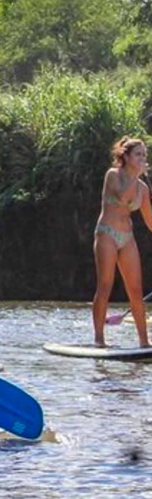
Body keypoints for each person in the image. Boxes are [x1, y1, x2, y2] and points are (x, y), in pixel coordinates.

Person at [92, 137, 152, 347]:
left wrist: (138, 177)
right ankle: (99, 339)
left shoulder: (143, 188)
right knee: (105, 285)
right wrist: (136, 175)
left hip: (127, 238)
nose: (143, 158)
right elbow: (123, 197)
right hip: (107, 234)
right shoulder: (113, 176)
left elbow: (150, 221)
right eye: (138, 154)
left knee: (135, 290)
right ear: (126, 157)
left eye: (144, 155)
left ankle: (144, 342)